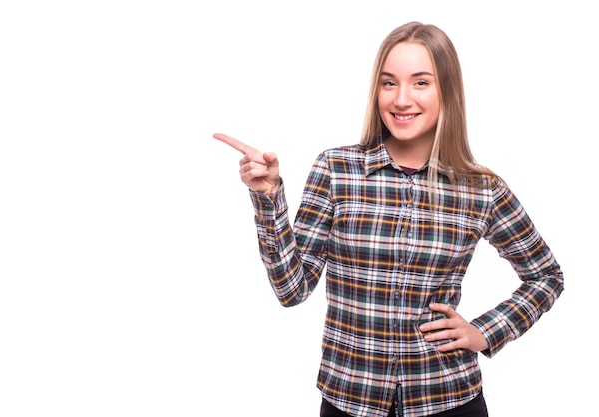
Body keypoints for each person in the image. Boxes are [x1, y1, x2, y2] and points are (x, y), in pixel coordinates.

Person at [213, 21, 564, 417]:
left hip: (448, 400)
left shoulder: (481, 189)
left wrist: (484, 332)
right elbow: (291, 290)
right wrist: (268, 199)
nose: (401, 99)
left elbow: (546, 276)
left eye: (420, 83)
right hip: (350, 400)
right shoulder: (336, 170)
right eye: (388, 83)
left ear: (446, 90)